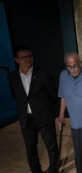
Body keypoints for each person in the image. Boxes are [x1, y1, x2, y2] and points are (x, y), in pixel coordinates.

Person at [7, 45, 59, 173]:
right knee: (30, 149)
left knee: (51, 147)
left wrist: (48, 111)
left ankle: (54, 170)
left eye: (29, 56)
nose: (27, 59)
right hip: (26, 119)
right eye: (23, 57)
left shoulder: (43, 74)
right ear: (16, 60)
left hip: (44, 117)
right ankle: (36, 171)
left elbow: (53, 95)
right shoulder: (12, 77)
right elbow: (15, 95)